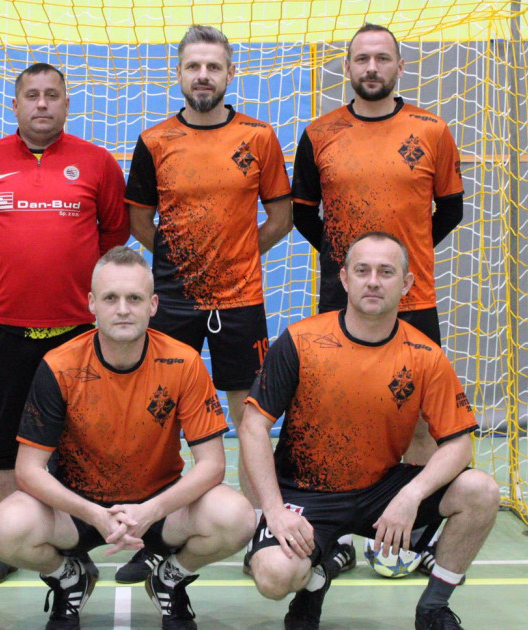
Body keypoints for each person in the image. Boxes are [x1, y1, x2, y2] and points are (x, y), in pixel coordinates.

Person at [0, 247, 255, 630]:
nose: (123, 309)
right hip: (78, 508)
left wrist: (150, 512)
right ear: (92, 304)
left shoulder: (184, 362)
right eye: (111, 298)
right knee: (2, 528)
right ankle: (69, 578)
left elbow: (212, 465)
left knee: (237, 517)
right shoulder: (60, 365)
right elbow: (28, 470)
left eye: (134, 298)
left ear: (153, 305)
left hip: (158, 505)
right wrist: (94, 514)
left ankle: (170, 577)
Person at [238, 233, 498, 630]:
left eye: (386, 272)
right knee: (274, 576)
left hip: (381, 489)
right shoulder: (301, 341)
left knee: (481, 491)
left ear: (406, 284)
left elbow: (458, 443)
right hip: (305, 492)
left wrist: (411, 495)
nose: (373, 281)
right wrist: (273, 511)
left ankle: (433, 609)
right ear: (344, 279)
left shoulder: (425, 356)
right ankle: (315, 580)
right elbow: (253, 426)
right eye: (362, 271)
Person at [289, 22, 466, 572]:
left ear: (399, 67)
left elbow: (451, 209)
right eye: (362, 58)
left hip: (414, 300)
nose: (371, 67)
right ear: (347, 67)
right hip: (340, 303)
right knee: (336, 412)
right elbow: (302, 213)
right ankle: (338, 528)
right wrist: (347, 267)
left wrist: (399, 268)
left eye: (382, 58)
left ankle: (406, 534)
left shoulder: (432, 130)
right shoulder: (320, 133)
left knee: (420, 421)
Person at [124, 24, 293, 581]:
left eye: (213, 67)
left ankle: (259, 528)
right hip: (172, 302)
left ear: (229, 73)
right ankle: (154, 529)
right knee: (158, 414)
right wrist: (183, 263)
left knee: (250, 416)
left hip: (241, 301)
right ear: (179, 73)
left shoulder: (259, 137)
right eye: (193, 66)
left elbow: (282, 217)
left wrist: (236, 255)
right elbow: (139, 222)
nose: (203, 76)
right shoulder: (154, 141)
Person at [0, 63, 129, 583]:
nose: (43, 103)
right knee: (3, 435)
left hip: (78, 328)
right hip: (6, 325)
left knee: (80, 441)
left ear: (67, 104)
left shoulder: (97, 162)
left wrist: (70, 270)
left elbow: (114, 233)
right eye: (32, 95)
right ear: (15, 104)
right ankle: (3, 541)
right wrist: (10, 263)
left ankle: (78, 534)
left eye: (53, 95)